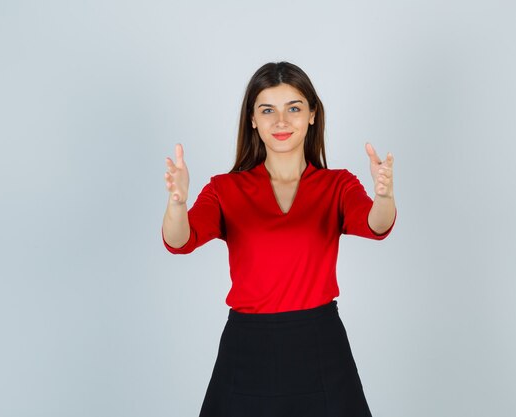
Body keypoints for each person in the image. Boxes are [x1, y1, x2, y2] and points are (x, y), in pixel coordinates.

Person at [161, 61, 396, 417]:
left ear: (313, 115)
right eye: (268, 110)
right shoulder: (226, 189)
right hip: (247, 347)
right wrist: (177, 203)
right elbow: (180, 240)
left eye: (294, 108)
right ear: (252, 119)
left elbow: (375, 224)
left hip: (320, 345)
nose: (281, 121)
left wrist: (384, 197)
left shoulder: (338, 185)